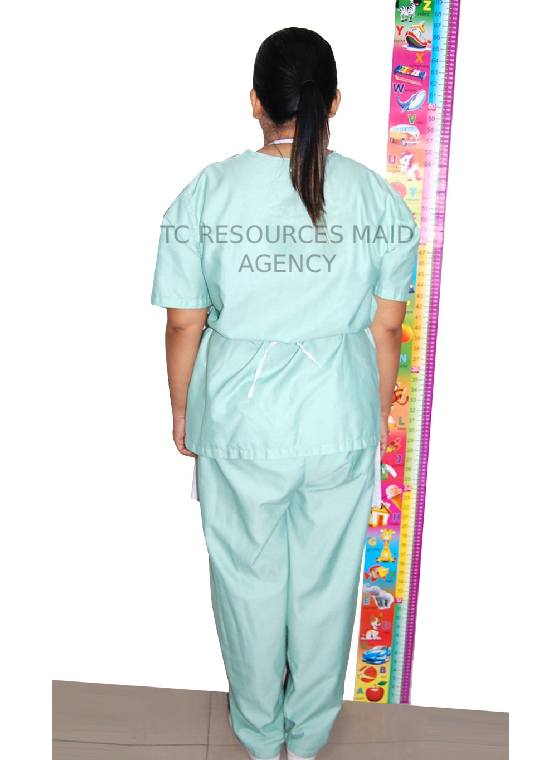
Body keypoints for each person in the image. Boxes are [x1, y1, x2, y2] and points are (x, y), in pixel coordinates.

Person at [151, 26, 420, 760]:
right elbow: (387, 328)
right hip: (340, 414)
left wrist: (183, 408)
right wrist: (372, 413)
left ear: (254, 101)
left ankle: (259, 729)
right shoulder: (376, 198)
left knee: (248, 578)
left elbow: (183, 322)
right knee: (327, 582)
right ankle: (308, 736)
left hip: (242, 420)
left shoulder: (208, 192)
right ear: (334, 102)